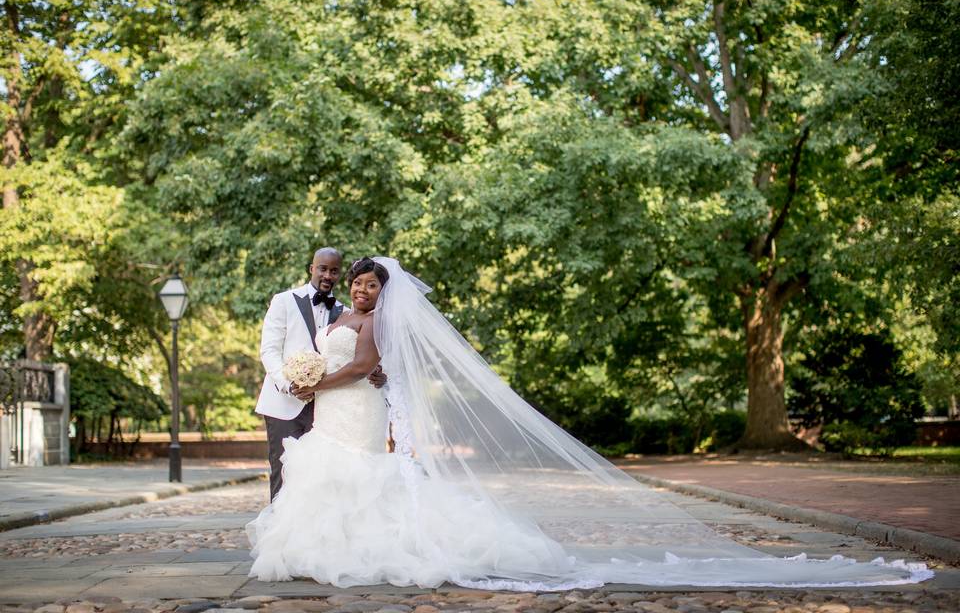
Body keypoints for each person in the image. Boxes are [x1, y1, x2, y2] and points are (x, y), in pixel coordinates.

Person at [247, 257, 932, 590]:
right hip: (331, 402)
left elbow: (366, 363)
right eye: (356, 282)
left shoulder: (367, 324)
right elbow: (334, 355)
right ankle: (332, 549)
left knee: (358, 476)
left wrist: (317, 376)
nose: (362, 288)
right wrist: (305, 373)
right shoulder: (331, 312)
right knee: (331, 479)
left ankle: (364, 552)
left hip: (350, 405)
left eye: (371, 284)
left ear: (383, 292)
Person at [254, 247, 384, 500]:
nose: (327, 275)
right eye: (322, 268)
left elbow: (359, 357)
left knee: (319, 478)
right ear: (311, 269)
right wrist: (288, 385)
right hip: (285, 403)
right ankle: (280, 535)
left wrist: (379, 373)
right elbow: (269, 350)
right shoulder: (284, 300)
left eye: (334, 271)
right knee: (284, 472)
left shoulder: (347, 311)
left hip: (329, 408)